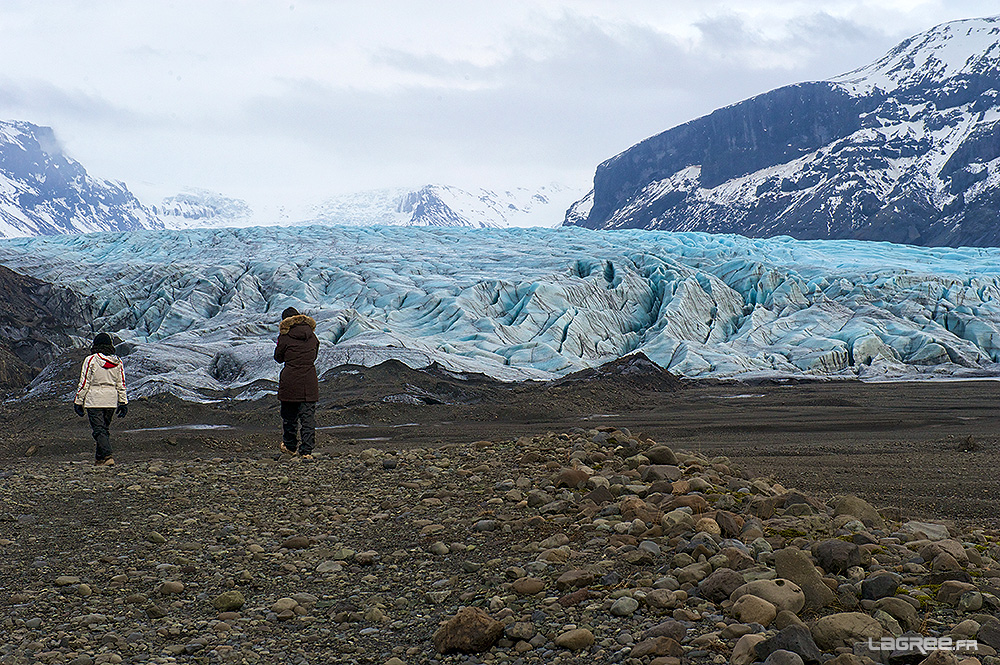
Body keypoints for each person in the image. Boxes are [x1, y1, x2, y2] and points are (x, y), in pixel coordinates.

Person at [74, 333, 128, 466]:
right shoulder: (118, 362)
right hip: (111, 400)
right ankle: (99, 459)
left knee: (99, 430)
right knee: (103, 429)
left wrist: (78, 401)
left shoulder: (91, 360)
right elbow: (121, 383)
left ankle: (108, 456)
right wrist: (123, 402)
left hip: (94, 399)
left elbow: (84, 382)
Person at [274, 307, 320, 460]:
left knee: (289, 416)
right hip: (309, 380)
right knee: (308, 417)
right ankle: (306, 451)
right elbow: (314, 355)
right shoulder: (312, 336)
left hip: (290, 380)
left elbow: (278, 357)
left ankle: (290, 446)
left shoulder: (285, 337)